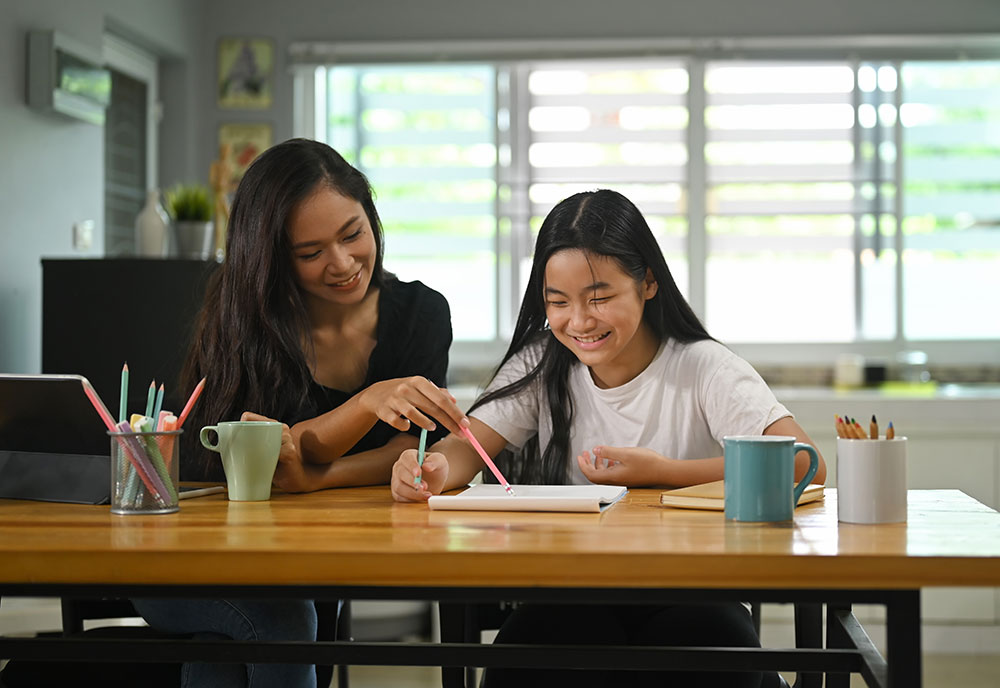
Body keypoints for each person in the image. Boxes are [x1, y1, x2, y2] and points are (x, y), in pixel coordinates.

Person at [390, 189, 826, 688]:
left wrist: (664, 475)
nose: (579, 321)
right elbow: (470, 446)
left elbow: (801, 462)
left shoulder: (702, 366)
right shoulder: (542, 364)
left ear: (648, 283)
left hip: (699, 588)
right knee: (521, 663)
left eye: (599, 298)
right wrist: (434, 469)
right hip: (572, 587)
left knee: (712, 658)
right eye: (558, 302)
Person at [134, 138, 469, 688]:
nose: (342, 264)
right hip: (203, 553)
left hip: (312, 562)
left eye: (352, 234)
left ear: (372, 218)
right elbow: (267, 462)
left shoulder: (419, 314)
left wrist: (315, 479)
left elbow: (409, 449)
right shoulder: (245, 316)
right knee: (281, 619)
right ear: (270, 257)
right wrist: (364, 405)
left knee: (230, 650)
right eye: (310, 253)